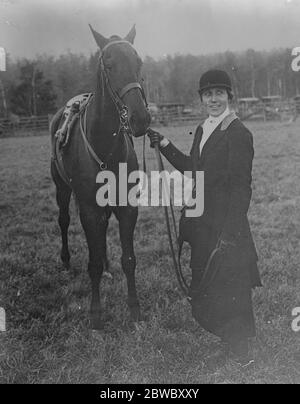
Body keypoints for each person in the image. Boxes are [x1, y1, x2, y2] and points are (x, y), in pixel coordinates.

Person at [147, 69, 262, 367]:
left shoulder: (238, 133)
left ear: (229, 96)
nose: (213, 99)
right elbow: (193, 168)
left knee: (231, 287)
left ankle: (243, 352)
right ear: (201, 98)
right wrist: (165, 145)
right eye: (208, 94)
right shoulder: (203, 129)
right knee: (207, 289)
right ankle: (230, 342)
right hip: (202, 225)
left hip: (226, 227)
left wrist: (230, 231)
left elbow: (241, 188)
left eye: (219, 93)